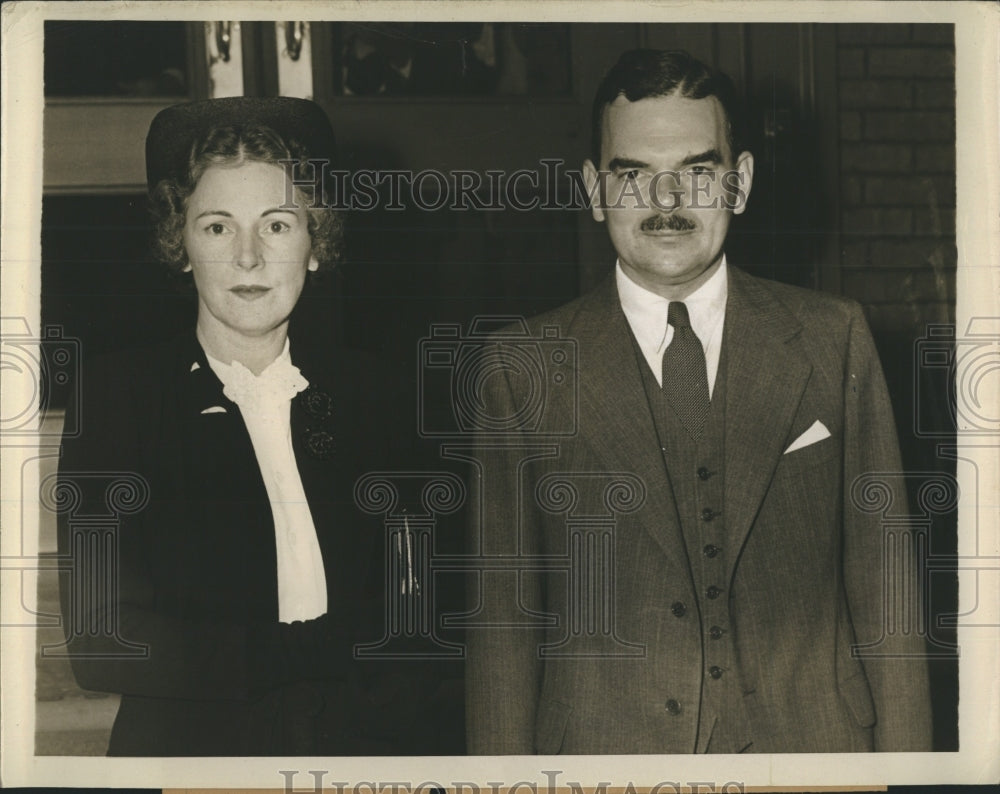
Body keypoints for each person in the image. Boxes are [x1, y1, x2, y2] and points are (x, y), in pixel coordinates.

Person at [465, 49, 932, 754]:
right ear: (594, 190)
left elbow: (887, 595)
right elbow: (502, 629)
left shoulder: (835, 339)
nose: (666, 203)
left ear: (739, 183)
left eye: (696, 171)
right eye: (634, 176)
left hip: (811, 750)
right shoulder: (522, 367)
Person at [55, 97, 438, 756]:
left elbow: (416, 607)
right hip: (196, 756)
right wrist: (305, 650)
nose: (250, 258)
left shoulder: (378, 392)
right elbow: (101, 641)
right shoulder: (121, 396)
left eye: (278, 226)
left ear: (317, 244)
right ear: (180, 247)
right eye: (217, 228)